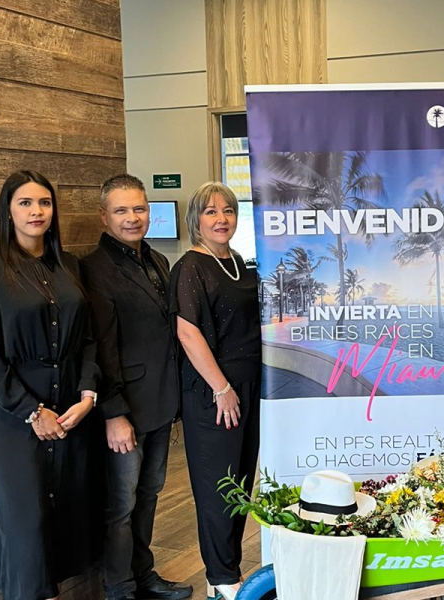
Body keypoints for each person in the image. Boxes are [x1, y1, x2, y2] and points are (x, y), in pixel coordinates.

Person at [0, 170, 101, 600]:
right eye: (25, 202)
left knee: (65, 519)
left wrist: (88, 394)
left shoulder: (69, 266)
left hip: (72, 412)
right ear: (8, 210)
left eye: (44, 202)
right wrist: (32, 411)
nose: (37, 211)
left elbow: (89, 338)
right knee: (27, 523)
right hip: (16, 420)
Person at [81, 174, 192, 600]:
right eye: (122, 210)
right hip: (124, 410)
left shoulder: (158, 260)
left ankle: (144, 575)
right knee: (121, 506)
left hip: (160, 403)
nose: (132, 217)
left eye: (139, 208)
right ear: (103, 216)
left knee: (149, 495)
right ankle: (120, 588)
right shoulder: (94, 269)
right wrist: (114, 413)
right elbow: (101, 347)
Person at [170, 182, 262, 600]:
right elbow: (188, 333)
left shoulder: (238, 262)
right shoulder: (191, 266)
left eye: (228, 210)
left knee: (240, 484)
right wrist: (222, 388)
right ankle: (223, 576)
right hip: (215, 391)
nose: (221, 219)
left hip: (248, 386)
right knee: (218, 486)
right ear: (197, 219)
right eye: (211, 211)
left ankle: (224, 571)